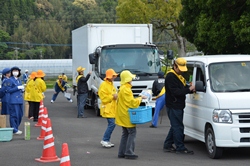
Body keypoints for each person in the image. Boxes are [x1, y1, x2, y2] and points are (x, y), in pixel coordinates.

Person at [163, 58, 195, 154]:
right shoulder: (170, 77)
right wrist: (189, 89)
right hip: (174, 105)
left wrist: (189, 88)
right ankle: (180, 147)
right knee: (178, 127)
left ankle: (168, 144)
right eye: (179, 68)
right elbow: (176, 92)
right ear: (175, 66)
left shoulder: (178, 76)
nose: (181, 71)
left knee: (175, 126)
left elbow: (182, 87)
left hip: (176, 105)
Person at [115, 70, 147, 160]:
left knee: (125, 133)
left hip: (122, 113)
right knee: (132, 132)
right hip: (126, 114)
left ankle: (121, 152)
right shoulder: (126, 89)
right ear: (127, 79)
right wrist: (140, 98)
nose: (132, 80)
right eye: (130, 78)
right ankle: (129, 152)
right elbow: (132, 103)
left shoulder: (122, 88)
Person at [99, 69, 118, 148]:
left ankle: (107, 140)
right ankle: (105, 140)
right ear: (109, 76)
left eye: (114, 76)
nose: (114, 77)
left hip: (112, 108)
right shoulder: (104, 85)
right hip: (107, 108)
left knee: (112, 124)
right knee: (112, 124)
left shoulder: (111, 84)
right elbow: (103, 98)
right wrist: (113, 97)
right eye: (113, 76)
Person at [5, 66, 24, 135]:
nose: (15, 72)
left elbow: (20, 90)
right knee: (14, 115)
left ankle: (16, 127)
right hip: (13, 100)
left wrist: (22, 89)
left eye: (17, 70)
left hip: (19, 100)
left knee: (20, 115)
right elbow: (8, 90)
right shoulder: (9, 80)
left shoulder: (19, 80)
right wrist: (17, 87)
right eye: (14, 70)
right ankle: (14, 129)